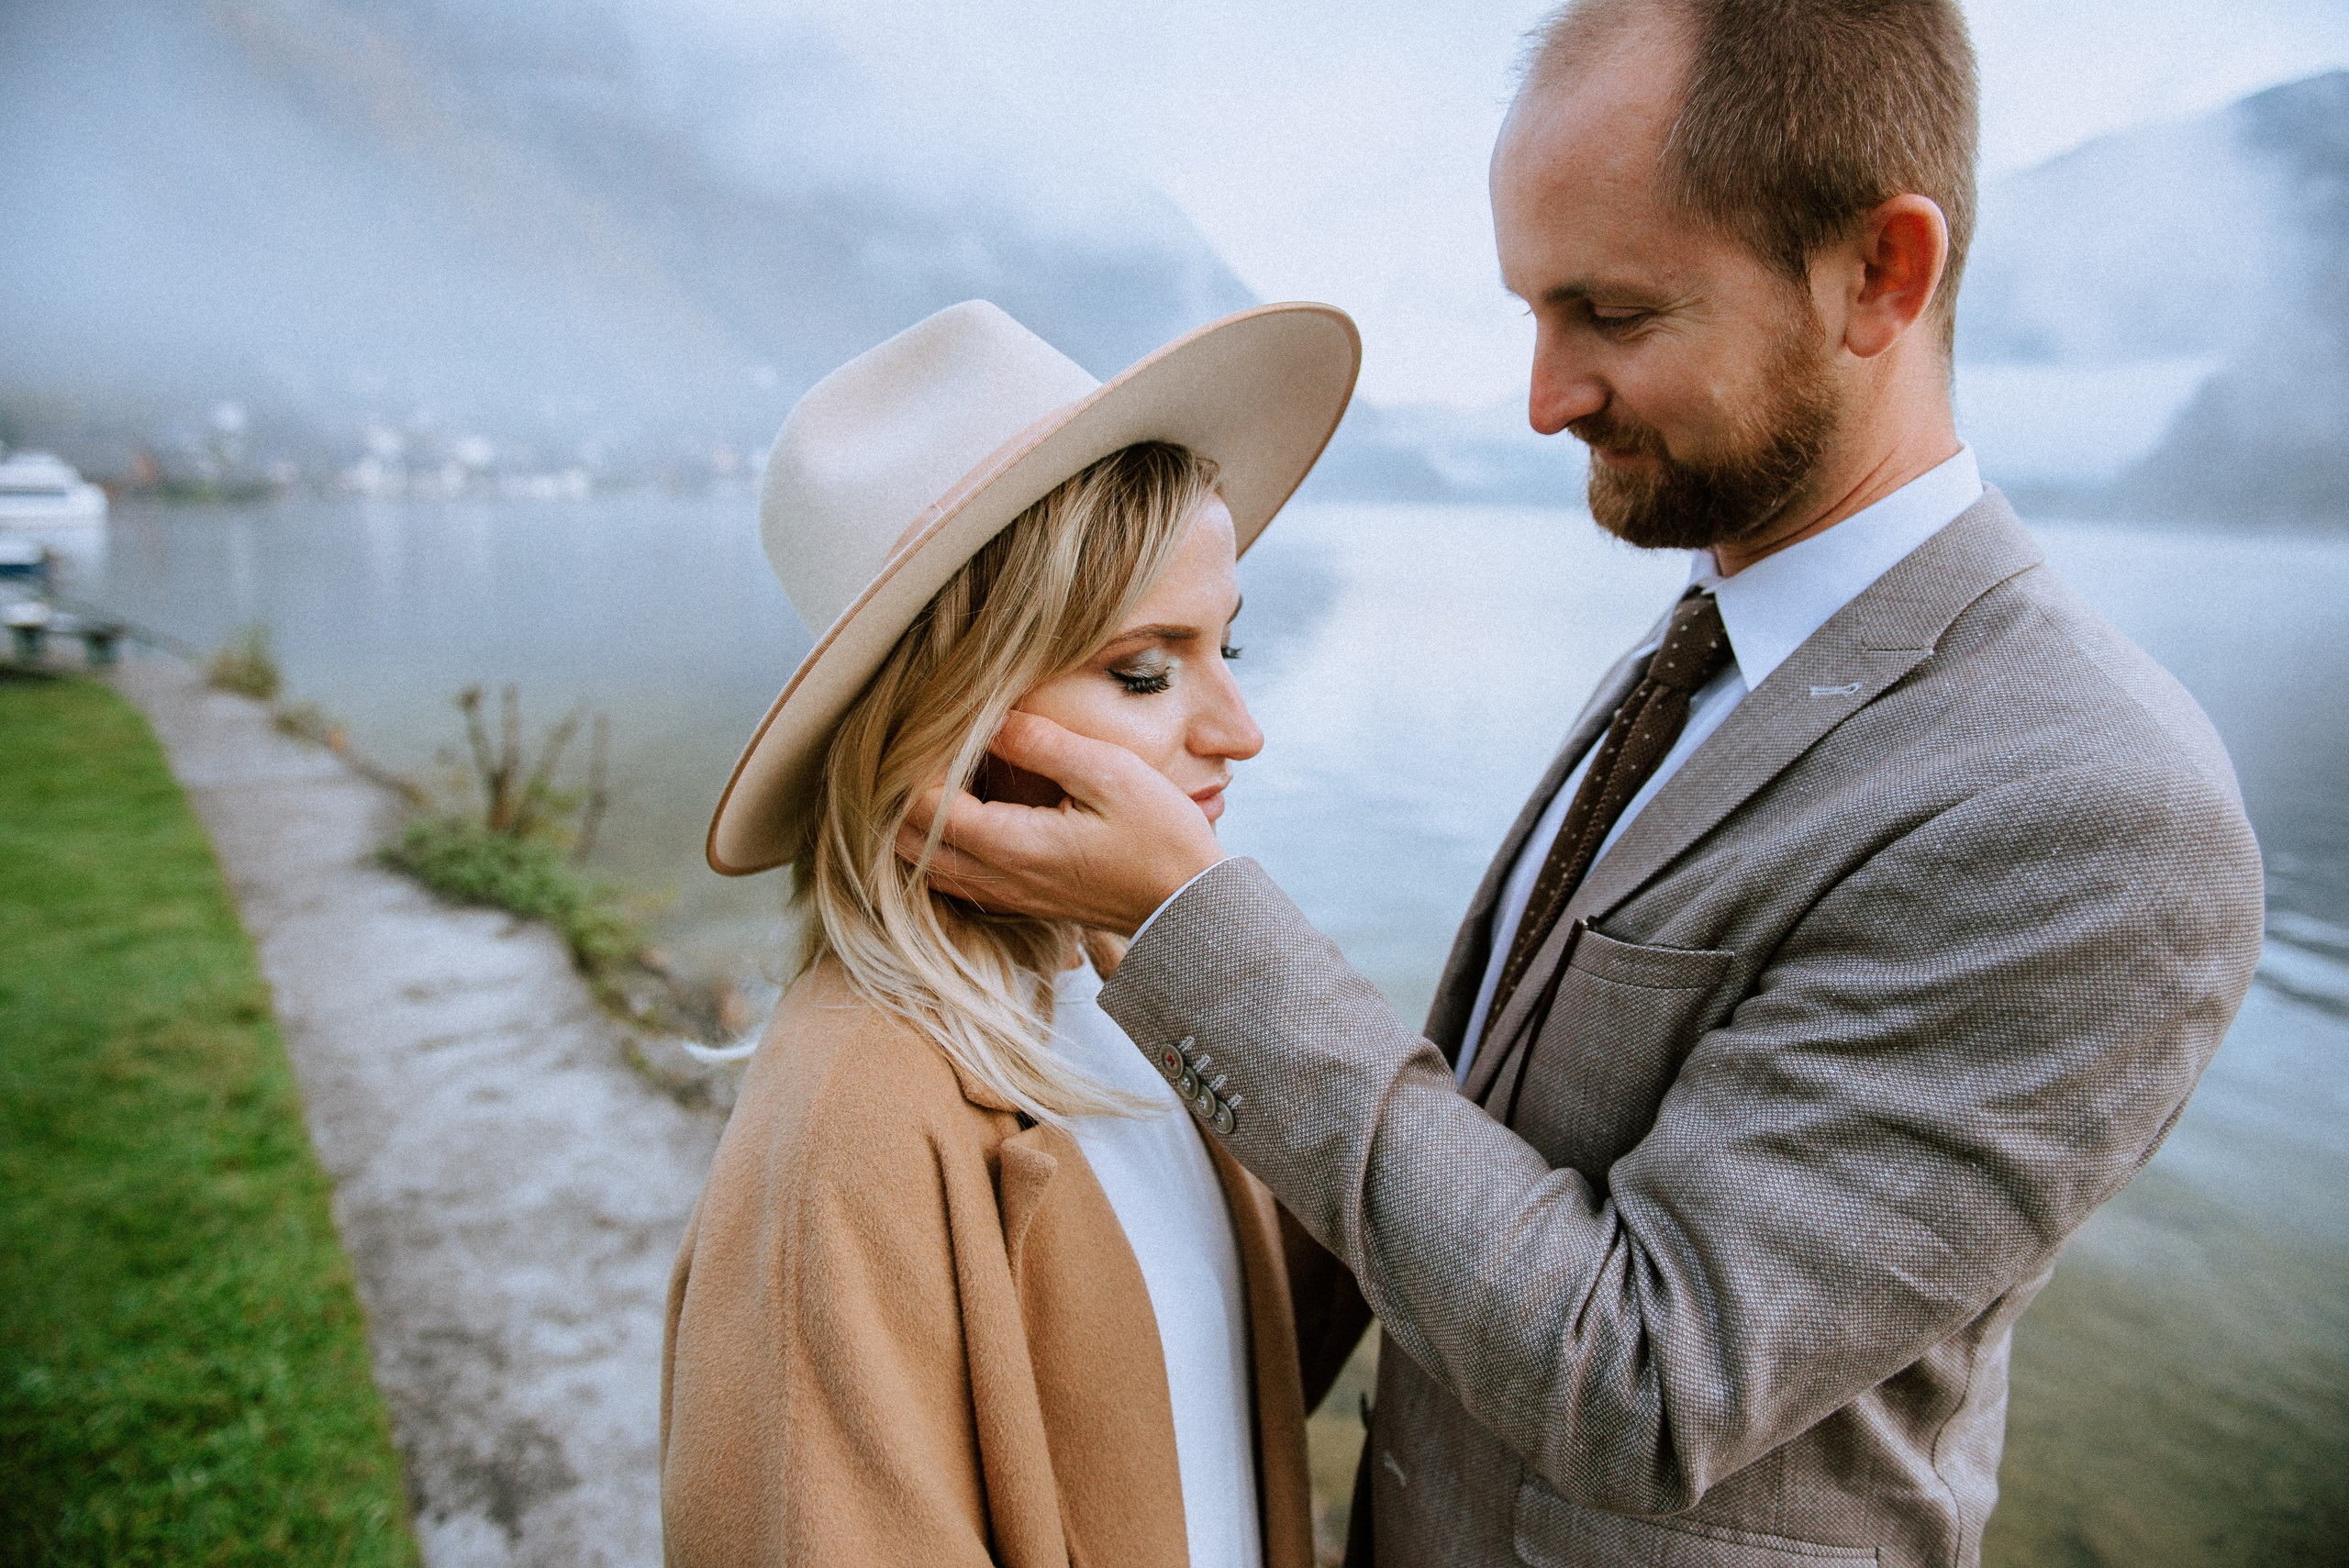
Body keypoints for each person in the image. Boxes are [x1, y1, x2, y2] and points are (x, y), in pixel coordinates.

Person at [900, 4, 2266, 1566]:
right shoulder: (1699, 646)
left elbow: (1647, 1383)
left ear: (1882, 272)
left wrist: (1188, 920)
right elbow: (1482, 1124)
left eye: (1611, 314)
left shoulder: (2097, 807)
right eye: (1533, 312)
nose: (1544, 398)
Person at [660, 298, 1363, 1567]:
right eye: (1149, 670)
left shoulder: (1133, 986)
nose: (1239, 727)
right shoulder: (858, 1113)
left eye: (1229, 644)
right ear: (958, 708)